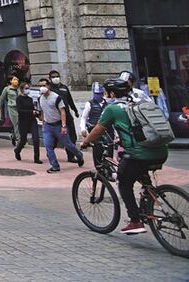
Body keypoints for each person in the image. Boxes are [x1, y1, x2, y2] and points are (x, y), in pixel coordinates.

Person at [81, 77, 169, 235]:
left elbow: (98, 129)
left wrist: (85, 142)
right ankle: (149, 198)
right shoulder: (137, 103)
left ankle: (135, 221)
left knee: (124, 182)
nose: (105, 94)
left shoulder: (112, 109)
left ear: (112, 93)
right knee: (140, 174)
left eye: (107, 92)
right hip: (161, 151)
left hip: (139, 154)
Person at [37, 77, 84, 173]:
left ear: (49, 86)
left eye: (44, 85)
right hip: (47, 126)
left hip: (58, 125)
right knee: (48, 146)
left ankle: (79, 155)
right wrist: (42, 122)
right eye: (40, 86)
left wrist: (63, 126)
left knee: (68, 144)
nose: (42, 87)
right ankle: (55, 166)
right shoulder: (40, 99)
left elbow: (62, 112)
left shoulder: (56, 97)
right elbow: (42, 111)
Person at [13, 81, 42, 164]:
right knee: (23, 140)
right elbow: (20, 111)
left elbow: (33, 108)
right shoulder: (19, 99)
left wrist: (37, 114)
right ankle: (17, 150)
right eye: (26, 88)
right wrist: (31, 112)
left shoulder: (30, 99)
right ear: (21, 89)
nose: (27, 90)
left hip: (32, 120)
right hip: (23, 121)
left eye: (28, 88)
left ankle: (36, 158)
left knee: (36, 139)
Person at [47, 69, 79, 143]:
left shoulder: (64, 87)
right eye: (53, 77)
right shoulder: (49, 89)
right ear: (50, 78)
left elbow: (70, 100)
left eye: (57, 76)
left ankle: (71, 153)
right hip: (56, 116)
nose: (56, 78)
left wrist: (75, 110)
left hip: (67, 114)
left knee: (72, 137)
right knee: (54, 139)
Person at [0, 76, 22, 145]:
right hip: (12, 108)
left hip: (19, 108)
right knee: (16, 123)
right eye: (14, 80)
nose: (16, 81)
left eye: (17, 79)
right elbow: (1, 99)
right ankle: (19, 140)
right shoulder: (7, 89)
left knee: (18, 124)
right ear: (11, 81)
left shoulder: (19, 89)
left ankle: (13, 136)